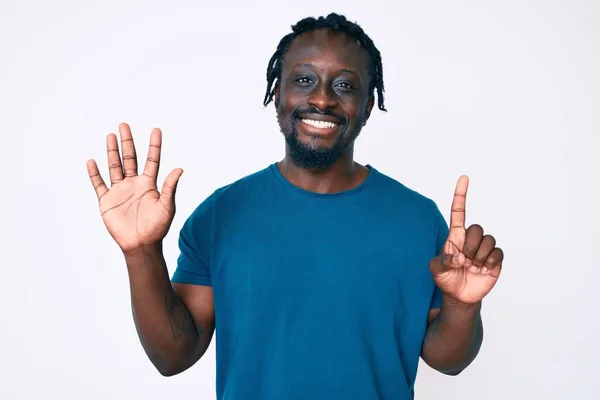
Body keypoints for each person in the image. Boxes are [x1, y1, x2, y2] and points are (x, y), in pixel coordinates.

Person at [86, 12, 503, 400]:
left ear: (369, 105)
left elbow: (447, 361)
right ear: (277, 92)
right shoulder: (221, 215)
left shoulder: (417, 219)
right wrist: (140, 252)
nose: (322, 100)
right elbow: (173, 357)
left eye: (345, 84)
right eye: (304, 80)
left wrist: (463, 307)